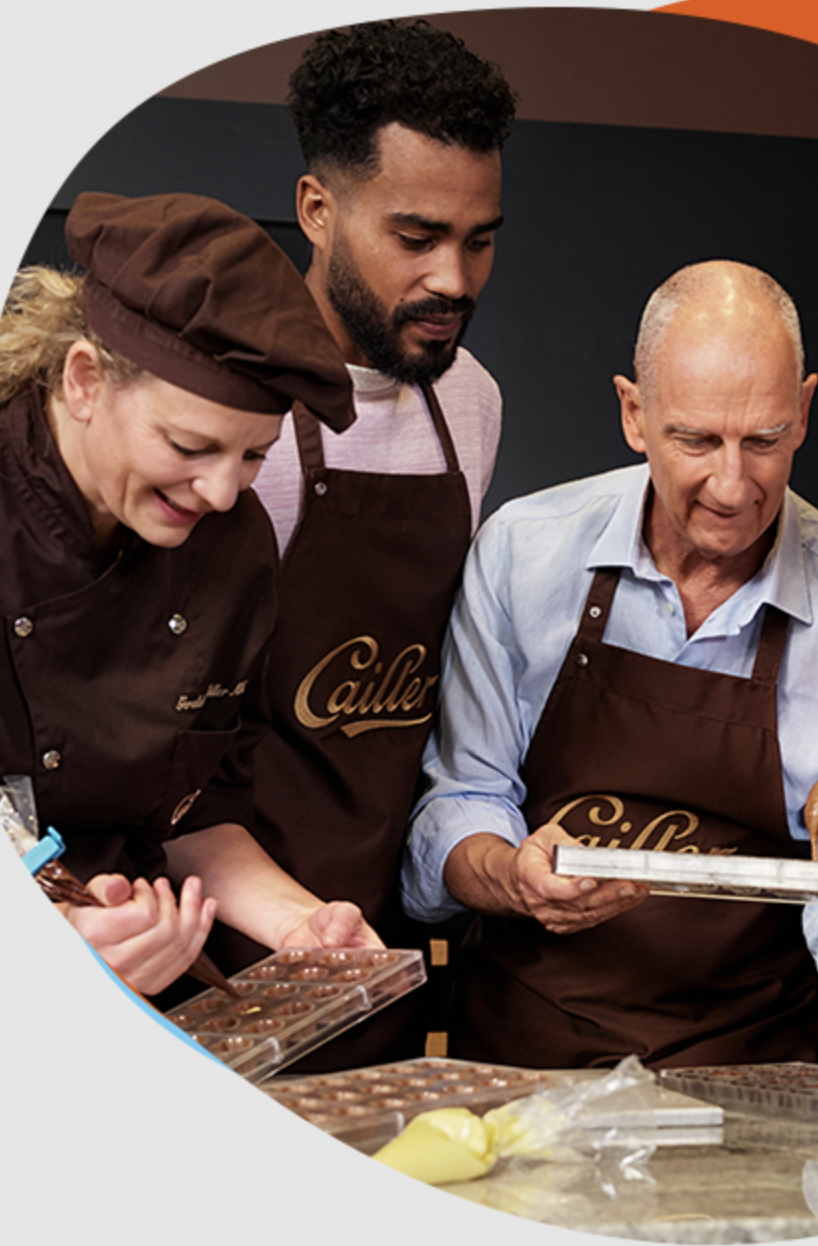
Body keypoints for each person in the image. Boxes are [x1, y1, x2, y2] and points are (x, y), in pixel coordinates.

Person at [403, 260, 818, 1070]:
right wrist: (511, 875)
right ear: (634, 414)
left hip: (750, 1082)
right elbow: (463, 798)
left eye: (764, 440)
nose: (732, 484)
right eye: (695, 440)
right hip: (520, 1061)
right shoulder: (523, 551)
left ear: (806, 413)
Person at [194, 20, 516, 1066]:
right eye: (416, 237)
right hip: (216, 938)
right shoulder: (229, 428)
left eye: (480, 238)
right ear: (317, 210)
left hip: (380, 935)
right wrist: (295, 924)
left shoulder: (470, 403)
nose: (456, 278)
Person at [0, 190, 379, 997]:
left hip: (133, 964)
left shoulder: (232, 549)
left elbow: (195, 814)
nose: (217, 492)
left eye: (252, 458)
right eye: (190, 446)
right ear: (83, 380)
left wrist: (297, 923)